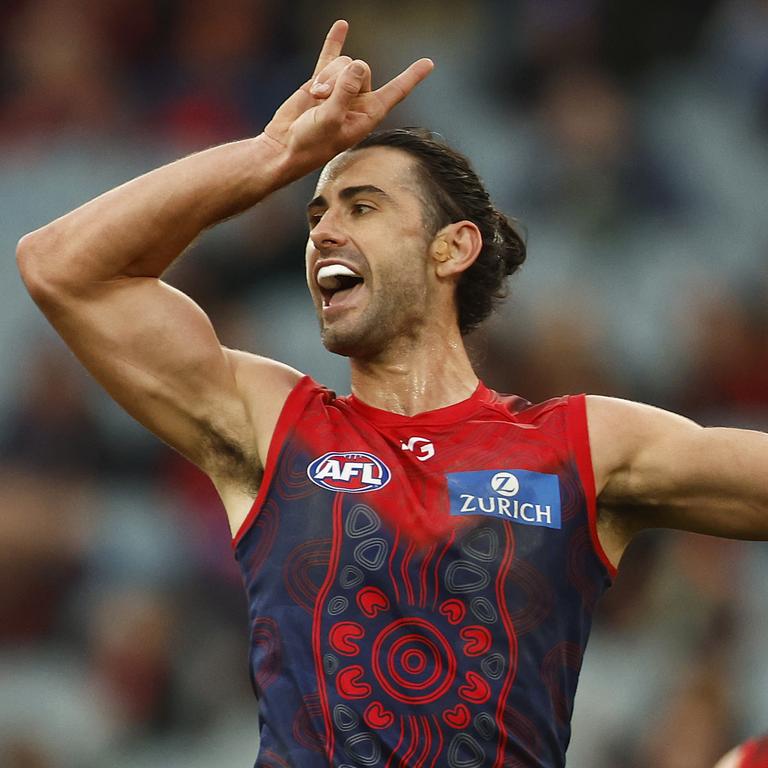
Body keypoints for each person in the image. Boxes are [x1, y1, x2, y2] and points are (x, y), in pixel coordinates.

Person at [16, 19, 768, 768]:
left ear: (453, 247)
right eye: (315, 216)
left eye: (361, 207)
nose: (324, 234)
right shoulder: (275, 424)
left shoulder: (581, 447)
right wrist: (271, 157)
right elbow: (60, 267)